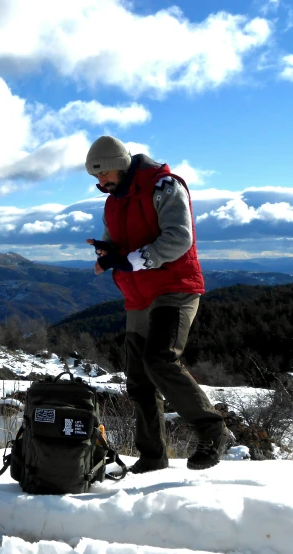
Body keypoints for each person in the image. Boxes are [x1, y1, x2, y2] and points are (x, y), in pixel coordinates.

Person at [84, 135, 231, 472]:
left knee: (159, 359)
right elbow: (119, 248)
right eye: (95, 178)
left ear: (118, 166)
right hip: (137, 295)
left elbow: (180, 237)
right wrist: (108, 255)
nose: (99, 183)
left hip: (175, 287)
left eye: (102, 175)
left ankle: (213, 430)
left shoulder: (164, 186)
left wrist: (133, 260)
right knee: (138, 379)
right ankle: (152, 456)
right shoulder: (113, 202)